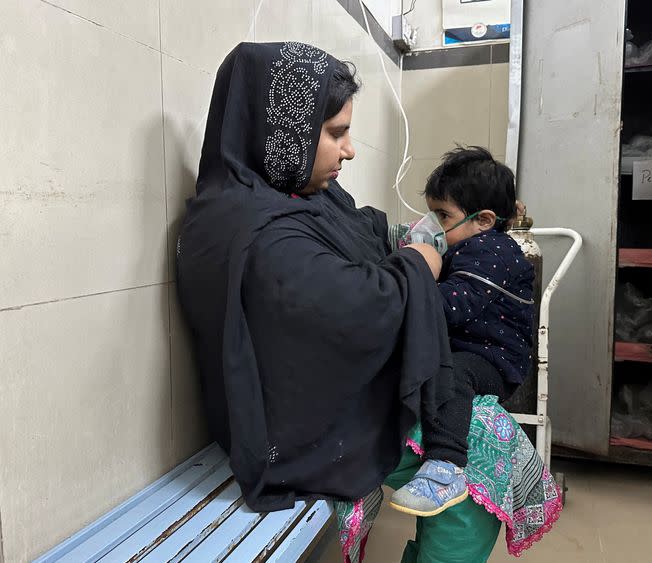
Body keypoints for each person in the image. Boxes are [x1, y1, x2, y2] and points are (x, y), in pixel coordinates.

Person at [176, 42, 506, 561]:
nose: (349, 150)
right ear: (283, 133)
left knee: (477, 431)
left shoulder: (298, 195)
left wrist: (402, 246)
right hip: (292, 431)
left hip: (328, 394)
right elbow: (359, 304)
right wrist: (421, 262)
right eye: (334, 133)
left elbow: (366, 229)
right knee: (483, 459)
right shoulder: (254, 231)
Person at [390, 147, 536, 517]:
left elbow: (454, 306)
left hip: (494, 360)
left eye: (442, 216)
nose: (432, 224)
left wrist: (407, 280)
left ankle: (445, 467)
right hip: (469, 347)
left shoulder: (493, 251)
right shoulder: (470, 244)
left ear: (484, 220)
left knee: (451, 375)